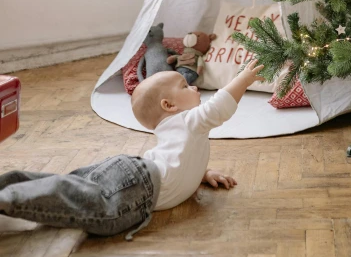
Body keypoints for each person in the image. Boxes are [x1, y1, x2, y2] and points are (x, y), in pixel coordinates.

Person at [0, 59, 264, 240]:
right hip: (139, 184)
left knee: (71, 184)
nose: (193, 86)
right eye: (184, 86)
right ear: (169, 105)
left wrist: (202, 173)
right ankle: (7, 197)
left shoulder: (180, 128)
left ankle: (8, 185)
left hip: (135, 174)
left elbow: (179, 157)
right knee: (81, 204)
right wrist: (243, 79)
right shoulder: (189, 121)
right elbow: (219, 107)